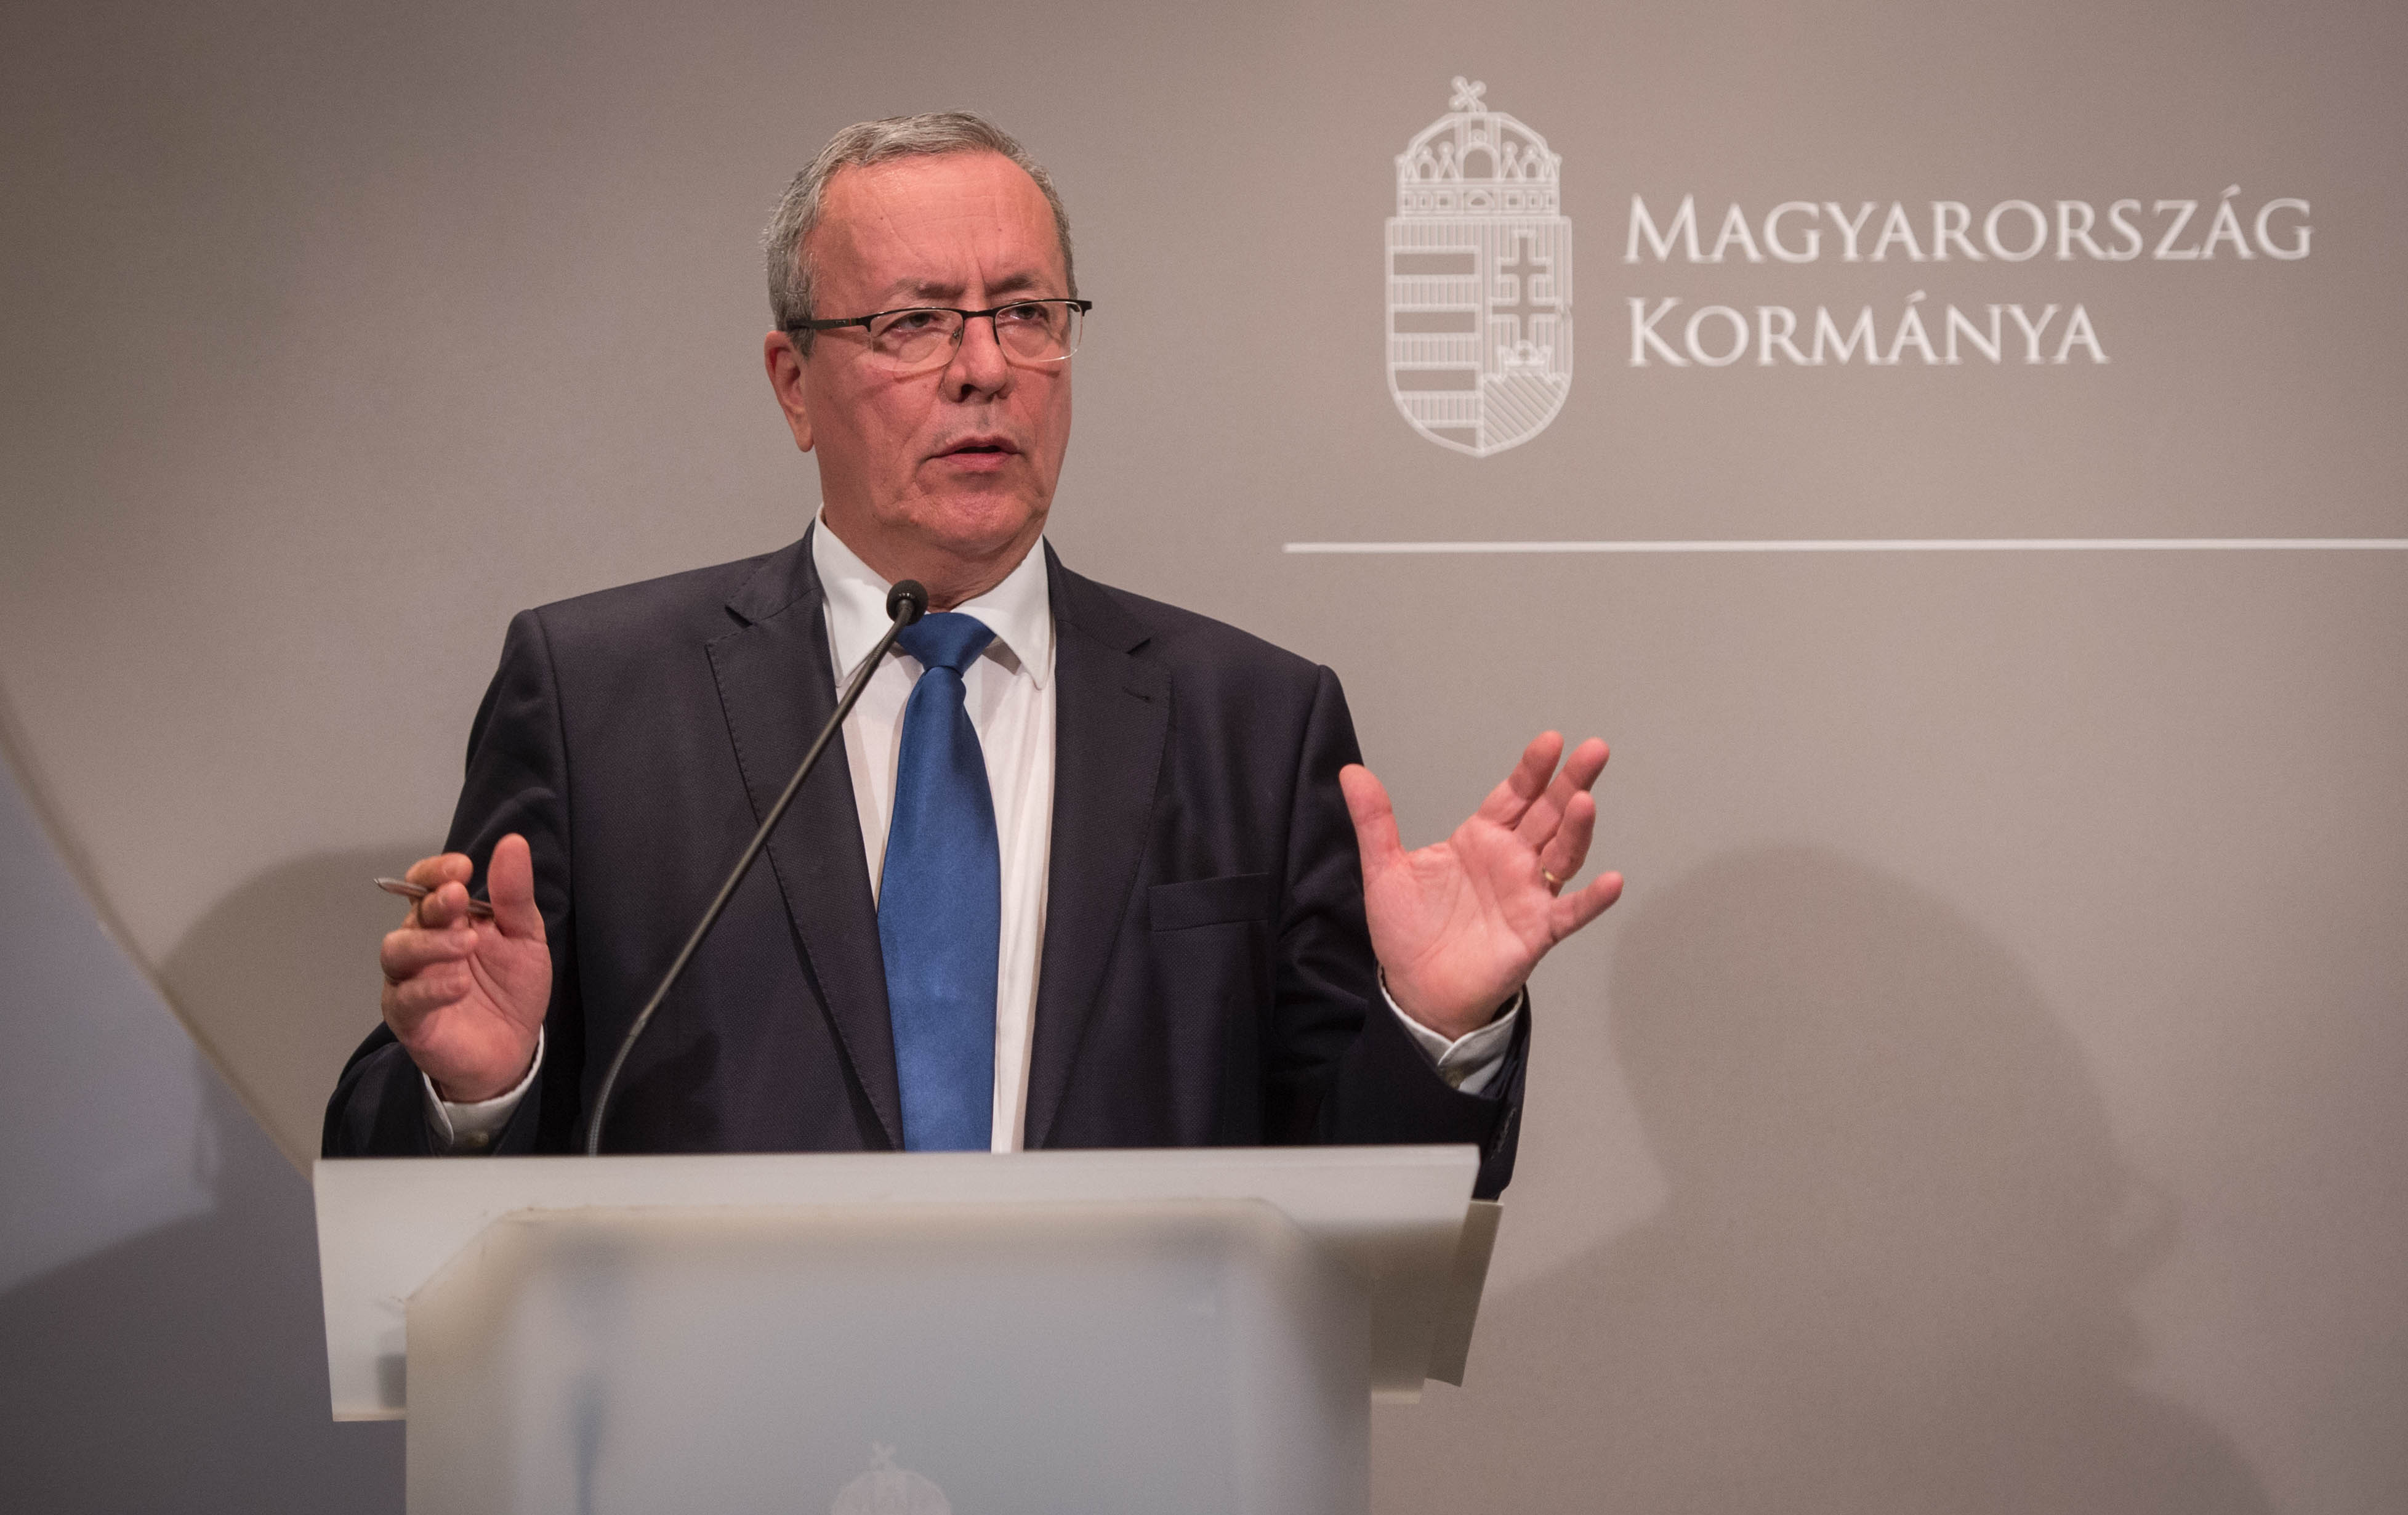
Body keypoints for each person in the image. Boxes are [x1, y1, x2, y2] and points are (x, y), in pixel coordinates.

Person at [321, 113, 1619, 1197]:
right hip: (716, 1419)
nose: (986, 368)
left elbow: (1363, 1204)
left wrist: (1432, 1025)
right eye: (915, 323)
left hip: (1132, 1423)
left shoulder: (1257, 725)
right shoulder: (597, 700)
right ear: (793, 382)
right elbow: (389, 1178)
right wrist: (480, 1089)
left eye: (1027, 313)